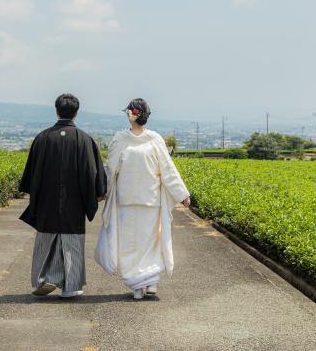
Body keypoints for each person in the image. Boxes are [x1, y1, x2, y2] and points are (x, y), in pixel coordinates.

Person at [94, 98, 191, 299]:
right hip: (133, 201)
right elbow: (111, 170)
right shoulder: (126, 139)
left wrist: (183, 194)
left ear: (131, 115)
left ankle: (147, 282)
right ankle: (140, 284)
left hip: (145, 202)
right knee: (138, 242)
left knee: (147, 241)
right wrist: (182, 195)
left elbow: (166, 170)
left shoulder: (147, 139)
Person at [19, 93, 107, 298]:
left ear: (57, 111)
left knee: (45, 240)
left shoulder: (42, 137)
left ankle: (41, 280)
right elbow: (92, 171)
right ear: (76, 113)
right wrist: (97, 193)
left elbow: (32, 173)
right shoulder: (85, 140)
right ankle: (70, 287)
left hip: (47, 200)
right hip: (74, 201)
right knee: (72, 242)